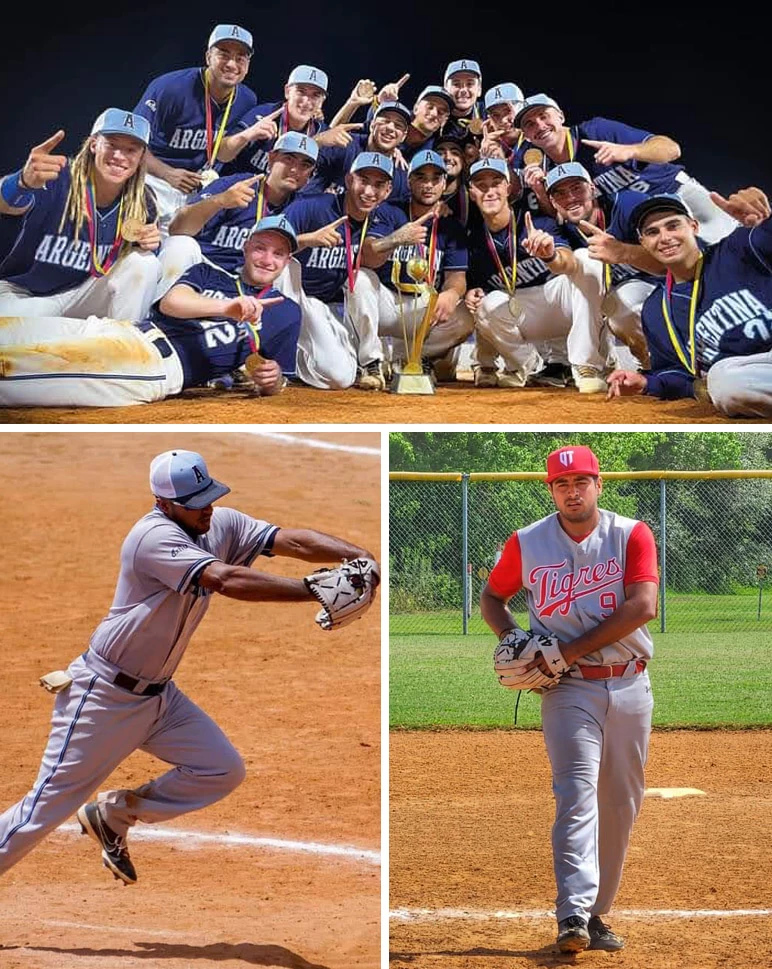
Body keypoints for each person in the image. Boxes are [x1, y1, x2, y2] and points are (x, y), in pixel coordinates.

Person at [0, 448, 379, 885]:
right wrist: (314, 590)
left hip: (160, 698)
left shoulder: (218, 522)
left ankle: (113, 815)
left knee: (221, 769)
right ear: (164, 504)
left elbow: (289, 541)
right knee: (41, 811)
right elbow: (226, 580)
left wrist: (361, 559)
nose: (208, 508)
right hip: (102, 698)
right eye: (195, 503)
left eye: (209, 496)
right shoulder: (152, 539)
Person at [481, 444, 658, 954]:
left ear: (598, 485)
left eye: (581, 482)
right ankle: (573, 915)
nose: (572, 491)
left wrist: (566, 649)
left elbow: (642, 606)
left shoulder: (631, 535)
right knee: (576, 796)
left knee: (620, 805)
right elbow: (494, 598)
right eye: (562, 484)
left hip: (630, 683)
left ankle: (598, 913)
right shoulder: (528, 541)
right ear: (551, 490)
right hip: (568, 690)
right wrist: (511, 638)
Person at [0, 216, 300, 407]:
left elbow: (276, 380)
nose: (267, 259)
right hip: (124, 330)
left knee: (14, 369)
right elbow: (172, 303)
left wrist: (273, 382)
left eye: (278, 253)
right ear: (246, 248)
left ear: (287, 261)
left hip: (151, 367)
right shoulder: (210, 275)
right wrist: (226, 307)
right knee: (12, 330)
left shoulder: (286, 312)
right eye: (260, 248)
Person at [606, 189, 772, 417]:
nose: (665, 238)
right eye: (652, 232)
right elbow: (678, 373)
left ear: (693, 226)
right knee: (723, 383)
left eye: (673, 226)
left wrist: (764, 221)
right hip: (748, 376)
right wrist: (646, 383)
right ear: (643, 242)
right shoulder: (656, 310)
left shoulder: (738, 247)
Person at [0, 110, 160, 322]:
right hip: (24, 293)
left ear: (141, 157)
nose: (120, 156)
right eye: (111, 144)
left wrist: (150, 243)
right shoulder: (56, 175)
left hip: (83, 294)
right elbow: (7, 204)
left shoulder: (143, 200)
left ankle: (124, 345)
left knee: (145, 262)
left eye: (131, 149)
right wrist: (21, 182)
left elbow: (136, 269)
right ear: (94, 144)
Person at [464, 158, 608, 392]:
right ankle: (527, 365)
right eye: (481, 185)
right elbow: (474, 286)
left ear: (509, 188)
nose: (489, 191)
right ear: (471, 193)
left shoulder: (536, 221)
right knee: (485, 305)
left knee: (587, 258)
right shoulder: (473, 240)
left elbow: (568, 260)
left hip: (560, 303)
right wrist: (471, 292)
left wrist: (551, 255)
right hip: (525, 314)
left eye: (496, 183)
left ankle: (586, 365)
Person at [512, 94, 736, 243]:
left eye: (544, 116)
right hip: (646, 223)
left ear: (560, 116)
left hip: (676, 193)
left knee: (738, 246)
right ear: (527, 137)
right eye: (529, 124)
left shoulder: (595, 132)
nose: (539, 125)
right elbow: (564, 216)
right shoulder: (550, 171)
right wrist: (542, 194)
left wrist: (630, 151)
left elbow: (671, 149)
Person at [280, 152, 394, 390]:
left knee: (340, 377)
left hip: (325, 308)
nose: (370, 191)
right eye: (364, 181)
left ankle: (298, 360)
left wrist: (395, 240)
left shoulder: (380, 220)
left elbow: (372, 259)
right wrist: (306, 240)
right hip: (289, 299)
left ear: (388, 191)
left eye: (379, 185)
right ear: (349, 180)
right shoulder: (310, 208)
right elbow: (266, 249)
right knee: (283, 269)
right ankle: (274, 353)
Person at [157, 130, 318, 293]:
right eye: (288, 159)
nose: (294, 170)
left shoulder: (303, 207)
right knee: (180, 245)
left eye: (304, 165)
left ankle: (268, 318)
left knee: (289, 266)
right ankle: (157, 314)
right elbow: (176, 229)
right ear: (271, 159)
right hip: (202, 267)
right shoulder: (237, 184)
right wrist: (220, 201)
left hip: (246, 281)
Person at [133, 24, 258, 232]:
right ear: (208, 56)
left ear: (247, 64)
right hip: (154, 180)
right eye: (223, 54)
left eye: (240, 58)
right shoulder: (170, 88)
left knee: (182, 256)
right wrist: (168, 173)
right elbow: (131, 144)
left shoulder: (247, 100)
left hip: (200, 190)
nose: (231, 64)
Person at [542, 162, 665, 369]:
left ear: (593, 188)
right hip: (609, 291)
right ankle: (600, 361)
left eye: (576, 188)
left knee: (623, 305)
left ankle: (655, 361)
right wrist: (549, 256)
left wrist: (624, 252)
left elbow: (669, 262)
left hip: (656, 286)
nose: (570, 198)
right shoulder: (560, 227)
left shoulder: (630, 205)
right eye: (560, 193)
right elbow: (562, 263)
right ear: (553, 202)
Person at [361, 149, 470, 374]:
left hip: (423, 305)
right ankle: (369, 362)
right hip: (387, 301)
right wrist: (395, 239)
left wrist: (451, 293)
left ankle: (411, 358)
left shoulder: (451, 225)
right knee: (361, 279)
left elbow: (456, 278)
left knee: (466, 316)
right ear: (409, 181)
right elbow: (367, 254)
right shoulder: (389, 212)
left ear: (444, 184)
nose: (428, 185)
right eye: (421, 177)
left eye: (435, 179)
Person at [216, 64, 329, 176]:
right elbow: (221, 154)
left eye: (315, 95)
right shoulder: (264, 114)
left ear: (322, 101)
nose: (306, 101)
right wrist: (247, 135)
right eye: (301, 91)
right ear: (287, 92)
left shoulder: (321, 132)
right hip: (237, 187)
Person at [301, 101, 411, 202]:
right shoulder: (344, 143)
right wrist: (316, 142)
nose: (390, 128)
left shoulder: (401, 176)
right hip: (309, 212)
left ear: (403, 136)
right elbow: (300, 164)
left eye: (398, 125)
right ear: (372, 125)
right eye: (385, 121)